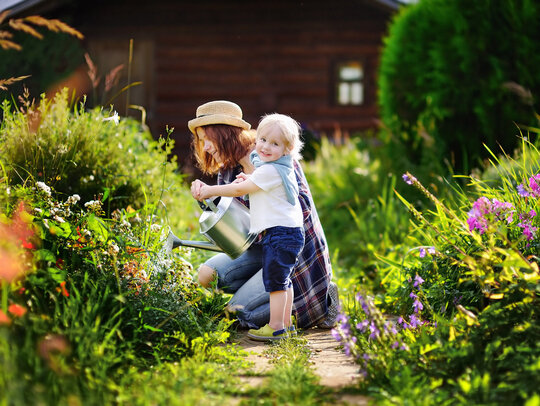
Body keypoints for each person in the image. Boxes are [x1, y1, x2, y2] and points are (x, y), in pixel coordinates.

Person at [188, 100, 338, 332]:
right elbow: (235, 229)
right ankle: (255, 296)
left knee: (236, 315)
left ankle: (321, 301)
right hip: (260, 246)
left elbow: (302, 213)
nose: (205, 146)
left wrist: (255, 189)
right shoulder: (229, 169)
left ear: (224, 134)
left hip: (292, 253)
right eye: (200, 140)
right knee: (207, 275)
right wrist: (207, 199)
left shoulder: (274, 157)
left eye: (207, 138)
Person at [195, 113, 305, 340]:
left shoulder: (270, 169)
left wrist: (210, 190)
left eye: (274, 144)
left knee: (276, 283)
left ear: (288, 149)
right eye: (262, 140)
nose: (264, 147)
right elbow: (255, 190)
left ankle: (276, 326)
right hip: (280, 236)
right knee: (281, 281)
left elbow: (240, 191)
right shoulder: (273, 167)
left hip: (281, 235)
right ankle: (285, 324)